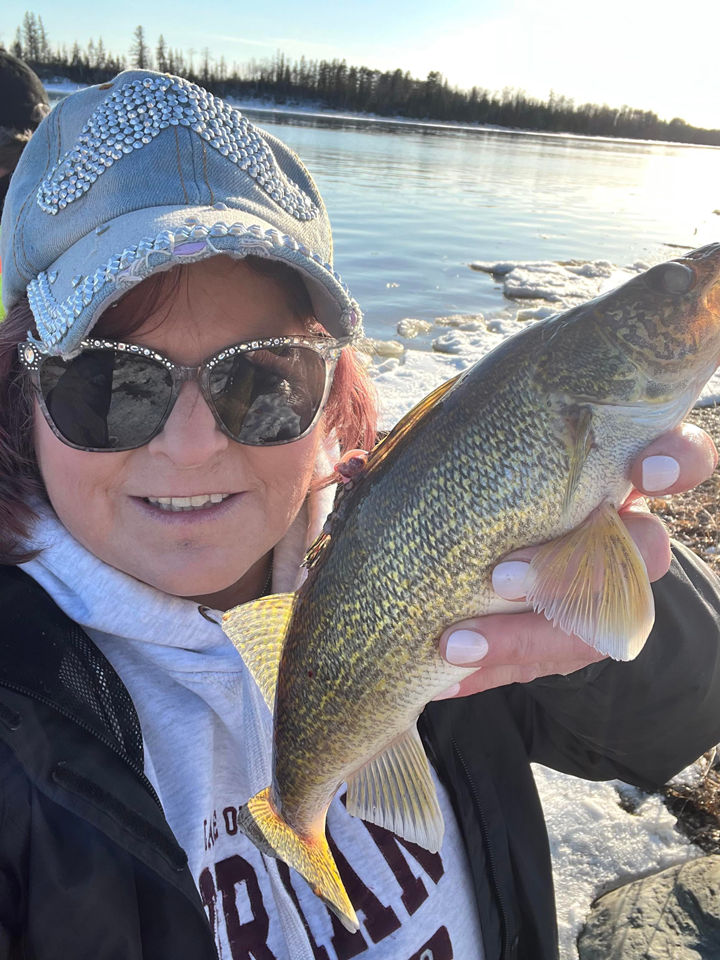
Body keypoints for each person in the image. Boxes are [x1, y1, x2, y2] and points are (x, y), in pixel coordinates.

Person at [0, 69, 718, 960]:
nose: (190, 446)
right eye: (109, 384)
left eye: (260, 380)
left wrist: (615, 572)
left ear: (334, 398)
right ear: (19, 401)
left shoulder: (438, 567)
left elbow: (691, 709)